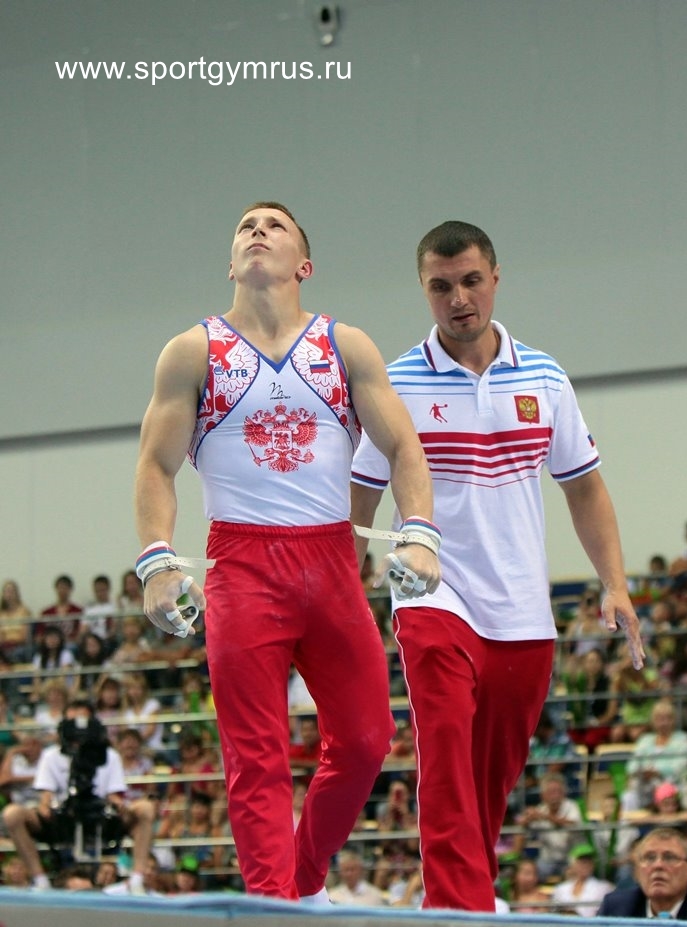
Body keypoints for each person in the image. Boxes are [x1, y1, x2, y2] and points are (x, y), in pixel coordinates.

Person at [133, 200, 439, 902]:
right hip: (241, 567)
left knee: (367, 741)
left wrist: (420, 531)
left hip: (331, 564)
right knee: (256, 756)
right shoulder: (192, 352)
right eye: (245, 227)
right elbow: (155, 465)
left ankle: (301, 879)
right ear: (230, 264)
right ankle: (275, 906)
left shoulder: (345, 346)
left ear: (304, 264)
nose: (256, 232)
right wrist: (156, 559)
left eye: (273, 226)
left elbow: (403, 447)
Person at [350, 219, 644, 911]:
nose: (458, 299)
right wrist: (342, 585)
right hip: (432, 594)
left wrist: (616, 584)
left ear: (496, 278)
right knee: (446, 749)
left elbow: (584, 487)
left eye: (471, 281)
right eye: (441, 286)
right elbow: (360, 491)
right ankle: (461, 912)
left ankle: (465, 899)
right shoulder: (396, 382)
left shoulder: (544, 377)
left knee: (487, 783)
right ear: (423, 290)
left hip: (521, 612)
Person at [0, 697, 156, 893]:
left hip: (101, 815)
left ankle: (137, 879)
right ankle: (40, 880)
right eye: (71, 721)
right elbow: (46, 796)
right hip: (62, 816)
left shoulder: (109, 755)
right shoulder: (51, 755)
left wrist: (120, 805)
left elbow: (114, 795)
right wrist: (45, 807)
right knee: (12, 814)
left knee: (145, 808)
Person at [597, 826, 687, 920]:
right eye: (649, 858)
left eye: (670, 858)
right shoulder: (616, 907)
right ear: (637, 871)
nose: (658, 865)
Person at [551, 843, 614, 917]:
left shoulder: (604, 887)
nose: (585, 865)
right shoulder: (561, 889)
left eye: (589, 861)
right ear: (572, 864)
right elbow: (555, 912)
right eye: (581, 862)